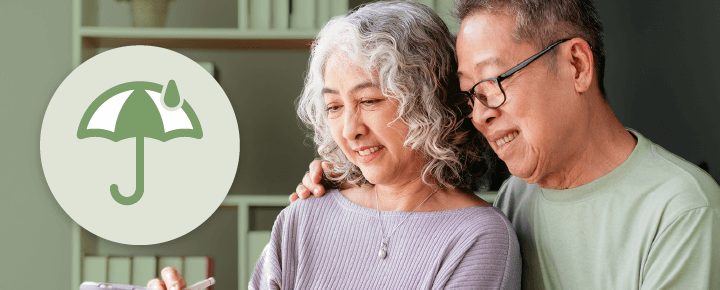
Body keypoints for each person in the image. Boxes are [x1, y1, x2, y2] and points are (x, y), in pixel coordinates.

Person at [295, 0, 720, 289]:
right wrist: (344, 194)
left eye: (494, 83)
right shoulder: (518, 196)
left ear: (576, 64)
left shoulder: (682, 209)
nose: (481, 114)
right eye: (470, 95)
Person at [147, 1, 521, 290]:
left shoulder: (479, 238)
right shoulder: (302, 219)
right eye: (334, 107)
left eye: (370, 101)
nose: (350, 130)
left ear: (427, 100)